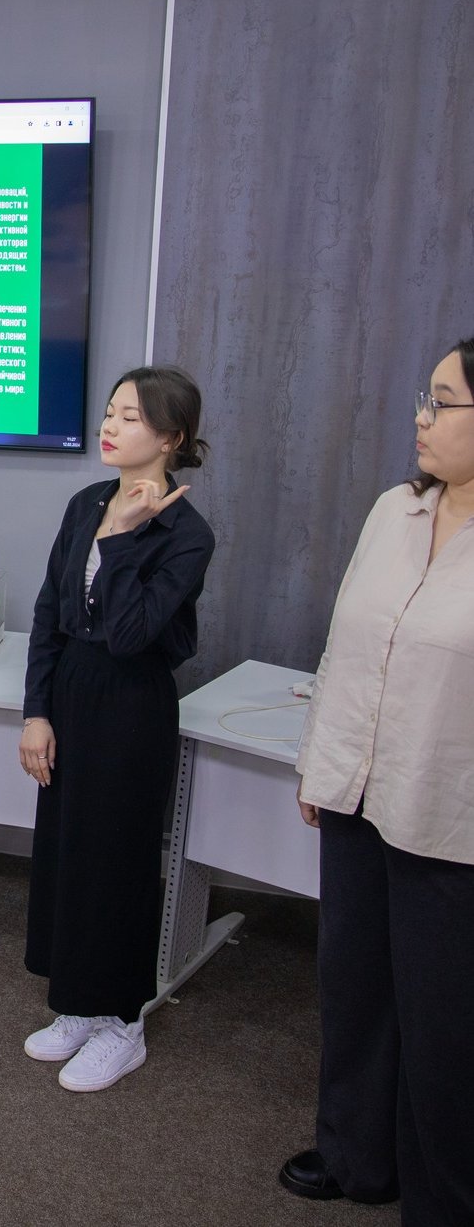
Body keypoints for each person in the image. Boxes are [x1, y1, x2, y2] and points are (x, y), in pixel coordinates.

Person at [280, 337, 474, 1224]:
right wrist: (320, 760)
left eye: (441, 401)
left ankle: (441, 1199)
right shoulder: (393, 509)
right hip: (358, 790)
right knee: (353, 983)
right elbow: (345, 646)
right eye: (422, 399)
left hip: (449, 812)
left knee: (443, 1021)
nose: (420, 419)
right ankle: (355, 1154)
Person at [18, 366, 214, 1092]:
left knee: (117, 862)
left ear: (170, 438)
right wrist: (36, 711)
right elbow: (50, 611)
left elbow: (130, 636)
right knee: (67, 852)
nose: (109, 426)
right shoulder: (85, 503)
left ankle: (123, 1023)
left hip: (130, 705)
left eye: (130, 417)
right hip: (70, 691)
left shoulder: (186, 534)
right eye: (109, 412)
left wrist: (127, 538)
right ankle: (80, 1003)